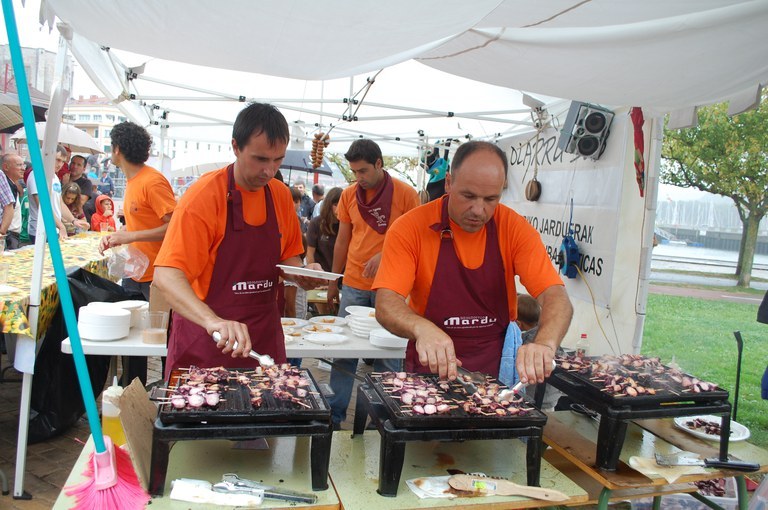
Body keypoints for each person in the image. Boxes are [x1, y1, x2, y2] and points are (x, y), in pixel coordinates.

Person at [373, 141, 573, 384]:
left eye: (491, 199)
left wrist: (545, 343)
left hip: (496, 362)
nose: (479, 210)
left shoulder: (514, 228)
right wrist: (420, 327)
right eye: (468, 196)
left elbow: (556, 297)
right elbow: (386, 303)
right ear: (448, 182)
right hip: (432, 361)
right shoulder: (410, 228)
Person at [153, 102, 323, 377]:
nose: (269, 171)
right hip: (207, 340)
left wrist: (302, 274)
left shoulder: (279, 196)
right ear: (235, 147)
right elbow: (166, 276)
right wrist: (213, 321)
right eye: (260, 159)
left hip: (263, 337)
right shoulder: (204, 197)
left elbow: (287, 257)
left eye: (277, 159)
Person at [326, 139, 420, 428]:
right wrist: (334, 278)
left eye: (364, 171)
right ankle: (334, 415)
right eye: (355, 172)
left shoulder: (406, 195)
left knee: (389, 356)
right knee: (343, 352)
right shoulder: (348, 195)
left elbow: (416, 239)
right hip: (353, 282)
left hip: (391, 287)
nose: (359, 178)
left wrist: (386, 253)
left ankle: (382, 417)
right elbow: (343, 239)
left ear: (379, 164)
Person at [99, 121, 176, 384]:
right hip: (136, 272)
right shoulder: (133, 181)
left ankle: (170, 395)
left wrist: (129, 235)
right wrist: (118, 238)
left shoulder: (152, 181)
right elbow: (142, 224)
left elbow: (173, 227)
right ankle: (134, 394)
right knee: (132, 342)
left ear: (117, 148)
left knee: (165, 340)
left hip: (158, 275)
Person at [27, 145, 69, 243]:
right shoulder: (37, 175)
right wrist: (61, 226)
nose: (60, 164)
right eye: (58, 160)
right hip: (40, 231)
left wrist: (74, 220)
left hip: (54, 230)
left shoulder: (55, 177)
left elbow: (60, 203)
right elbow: (43, 206)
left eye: (63, 161)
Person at [306, 186, 342, 272]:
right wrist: (313, 275)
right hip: (321, 274)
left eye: (342, 205)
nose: (339, 209)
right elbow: (310, 253)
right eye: (335, 205)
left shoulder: (348, 225)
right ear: (329, 205)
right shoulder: (316, 223)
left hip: (343, 276)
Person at [1, 154, 24, 249]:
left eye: (23, 165)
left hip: (9, 235)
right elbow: (9, 206)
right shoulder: (6, 181)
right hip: (8, 235)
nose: (23, 168)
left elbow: (9, 206)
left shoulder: (12, 184)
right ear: (6, 167)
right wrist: (2, 232)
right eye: (19, 165)